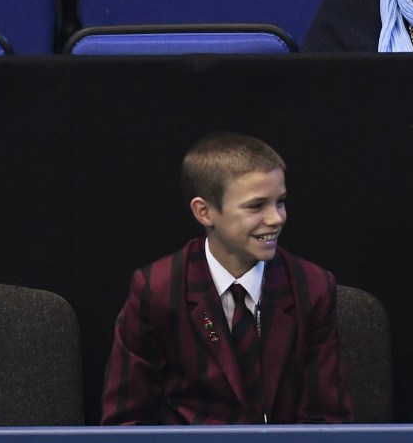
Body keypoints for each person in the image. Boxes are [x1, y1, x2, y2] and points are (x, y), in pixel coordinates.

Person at [101, 131, 353, 424]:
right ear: (205, 212)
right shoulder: (157, 290)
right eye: (256, 206)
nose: (276, 218)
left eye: (280, 202)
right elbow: (127, 422)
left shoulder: (312, 288)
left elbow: (326, 421)